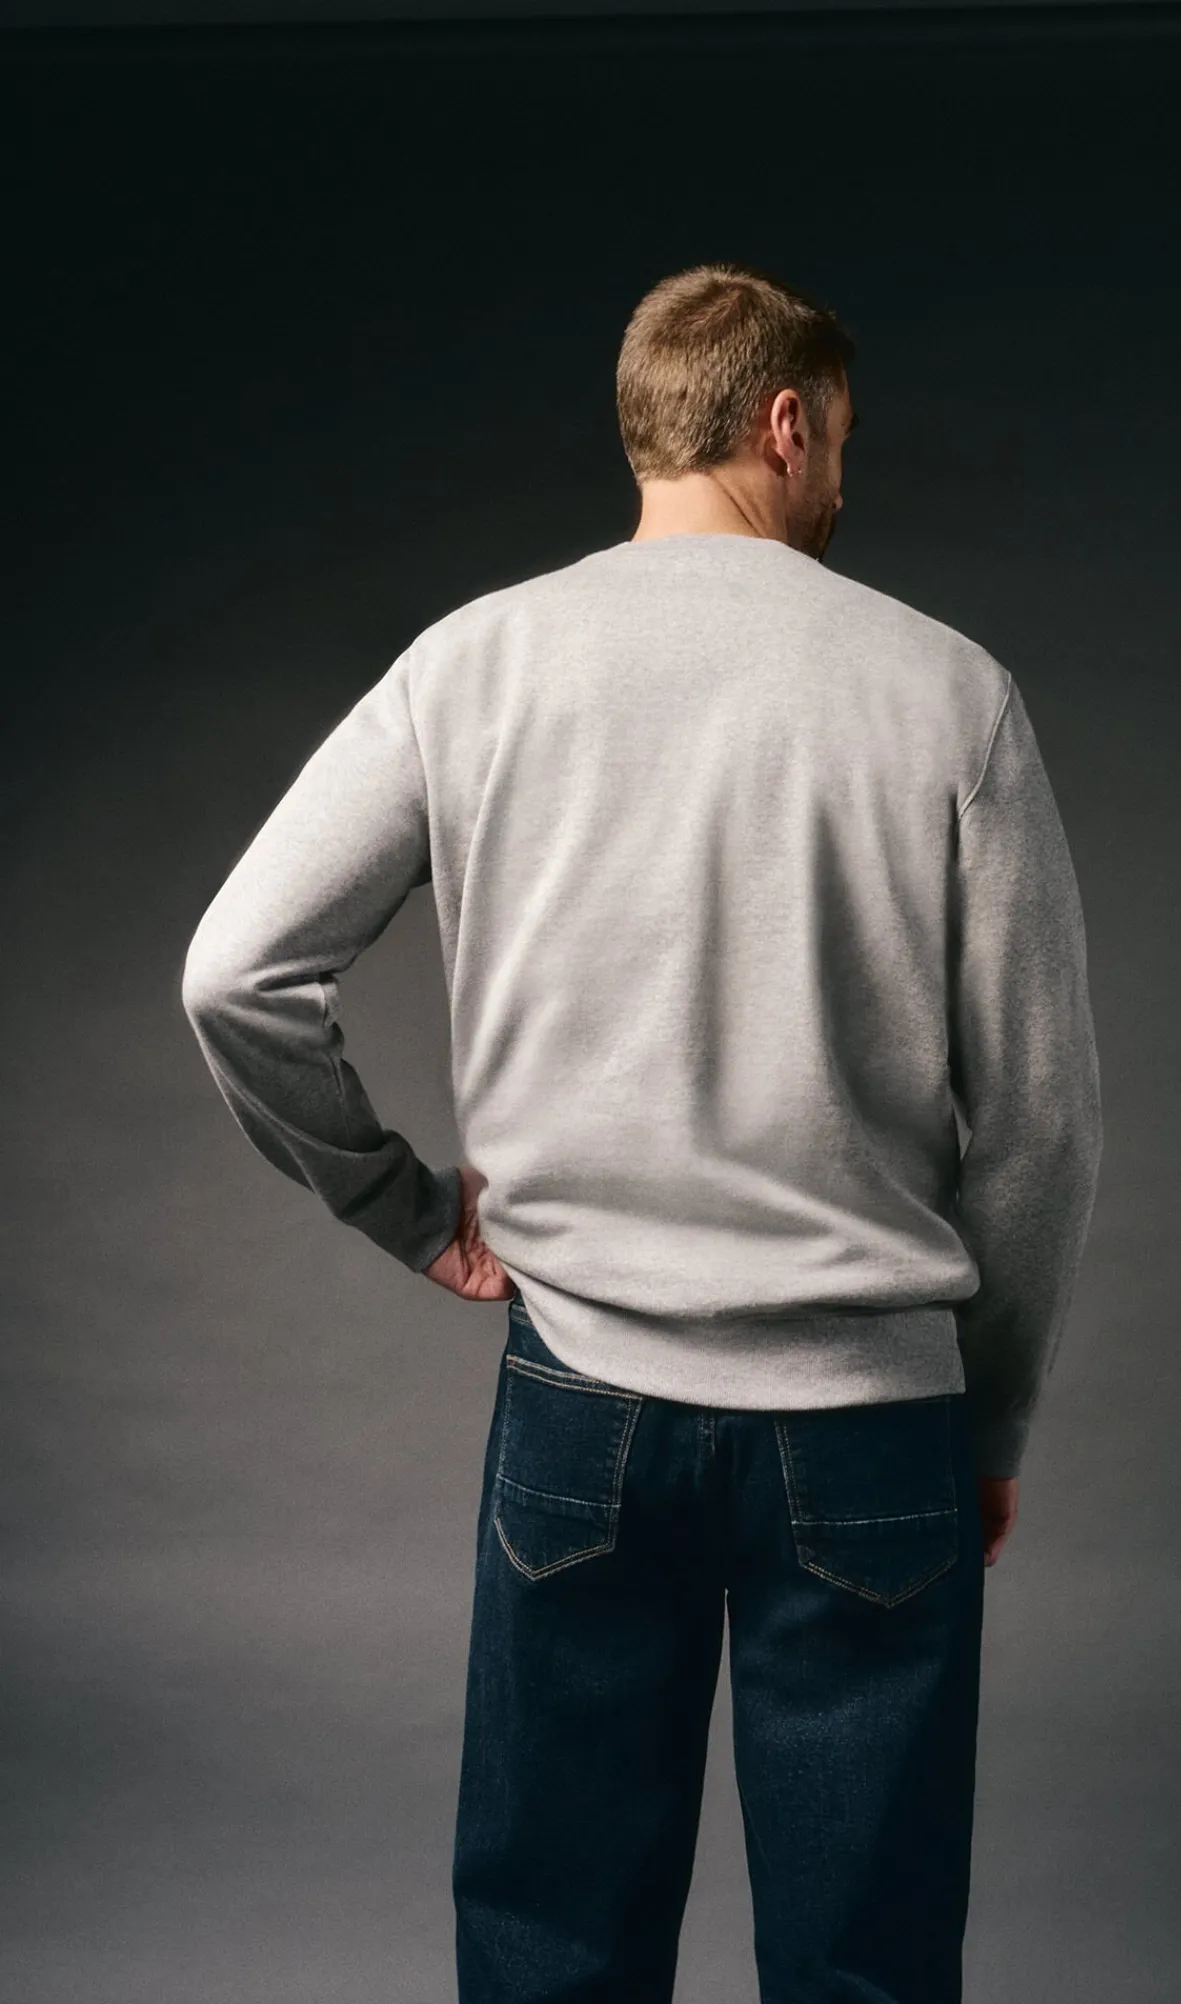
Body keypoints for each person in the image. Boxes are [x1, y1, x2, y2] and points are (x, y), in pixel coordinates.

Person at [181, 260, 1103, 2003]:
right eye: (843, 443)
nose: (843, 479)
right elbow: (1042, 1127)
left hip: (583, 1408)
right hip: (872, 1427)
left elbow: (234, 973)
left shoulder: (473, 666)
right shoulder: (950, 693)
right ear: (786, 423)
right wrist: (988, 1418)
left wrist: (407, 1210)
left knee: (556, 1956)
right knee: (869, 1966)